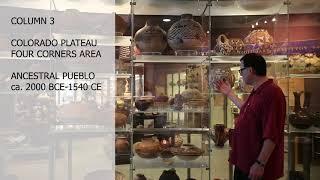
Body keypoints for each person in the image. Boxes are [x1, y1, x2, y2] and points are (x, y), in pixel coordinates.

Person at [214, 53, 286, 180]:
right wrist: (229, 93)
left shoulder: (272, 93)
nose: (241, 74)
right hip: (246, 162)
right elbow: (247, 110)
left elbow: (272, 134)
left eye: (242, 70)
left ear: (251, 70)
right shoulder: (258, 90)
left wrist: (260, 163)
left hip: (255, 167)